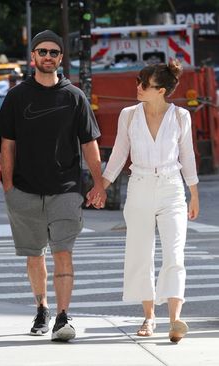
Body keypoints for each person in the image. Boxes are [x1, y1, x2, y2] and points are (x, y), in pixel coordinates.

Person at [0, 29, 106, 342]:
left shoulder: (74, 96)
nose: (47, 57)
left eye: (53, 52)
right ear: (33, 57)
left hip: (66, 189)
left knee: (63, 254)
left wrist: (98, 183)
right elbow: (7, 144)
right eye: (41, 51)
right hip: (25, 190)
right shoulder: (17, 96)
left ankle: (62, 316)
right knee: (34, 256)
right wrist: (8, 187)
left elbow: (89, 143)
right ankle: (42, 307)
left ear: (60, 58)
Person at [88, 60, 199, 343]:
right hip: (138, 186)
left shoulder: (180, 117)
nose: (137, 88)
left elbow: (187, 156)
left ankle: (175, 320)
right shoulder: (128, 115)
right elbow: (119, 155)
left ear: (161, 90)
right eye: (139, 81)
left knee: (175, 253)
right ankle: (149, 317)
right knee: (140, 253)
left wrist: (194, 193)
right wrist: (101, 185)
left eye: (144, 84)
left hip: (172, 189)